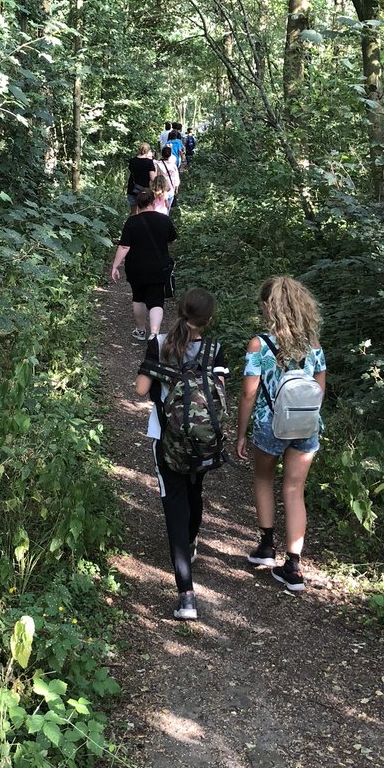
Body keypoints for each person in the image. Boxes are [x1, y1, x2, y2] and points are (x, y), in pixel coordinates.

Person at [136, 289, 229, 620]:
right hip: (202, 441)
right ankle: (189, 545)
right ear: (209, 320)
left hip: (165, 438)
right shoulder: (215, 350)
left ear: (179, 311)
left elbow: (141, 390)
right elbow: (218, 395)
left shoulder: (159, 343)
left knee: (174, 504)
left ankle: (186, 595)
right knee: (195, 491)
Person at [235, 275, 327, 593]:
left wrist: (240, 433)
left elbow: (249, 393)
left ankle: (265, 547)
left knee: (263, 480)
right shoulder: (314, 346)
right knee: (294, 491)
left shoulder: (260, 344)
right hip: (306, 427)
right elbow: (319, 390)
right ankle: (293, 566)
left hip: (269, 425)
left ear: (267, 307)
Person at [110, 188, 177, 340]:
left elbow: (124, 246)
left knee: (138, 297)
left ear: (138, 204)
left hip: (136, 267)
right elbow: (171, 239)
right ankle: (154, 334)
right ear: (154, 202)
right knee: (156, 300)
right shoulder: (164, 220)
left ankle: (140, 330)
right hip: (159, 267)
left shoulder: (132, 222)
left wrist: (115, 266)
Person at [126, 142, 156, 208]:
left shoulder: (132, 161)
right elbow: (152, 178)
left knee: (133, 212)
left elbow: (130, 172)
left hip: (132, 188)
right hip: (144, 190)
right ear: (148, 151)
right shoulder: (149, 162)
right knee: (143, 210)